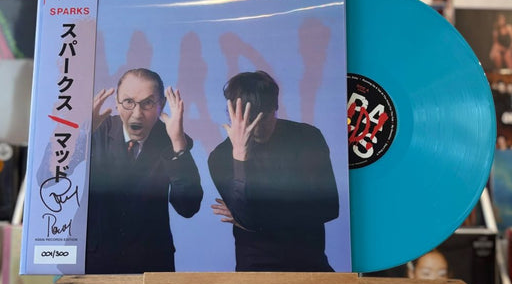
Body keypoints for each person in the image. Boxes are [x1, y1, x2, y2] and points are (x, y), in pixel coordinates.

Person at [208, 71, 339, 272]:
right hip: (256, 267)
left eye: (262, 119)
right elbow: (247, 218)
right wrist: (240, 155)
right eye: (247, 120)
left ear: (275, 109)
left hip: (310, 263)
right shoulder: (221, 157)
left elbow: (328, 207)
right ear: (232, 114)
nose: (255, 128)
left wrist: (257, 219)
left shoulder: (307, 137)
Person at [86, 68, 203, 273]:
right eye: (128, 102)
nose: (137, 113)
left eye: (148, 103)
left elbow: (188, 207)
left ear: (161, 105)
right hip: (97, 261)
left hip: (151, 264)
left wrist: (178, 144)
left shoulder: (172, 139)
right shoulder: (96, 130)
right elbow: (51, 180)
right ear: (117, 102)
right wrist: (81, 136)